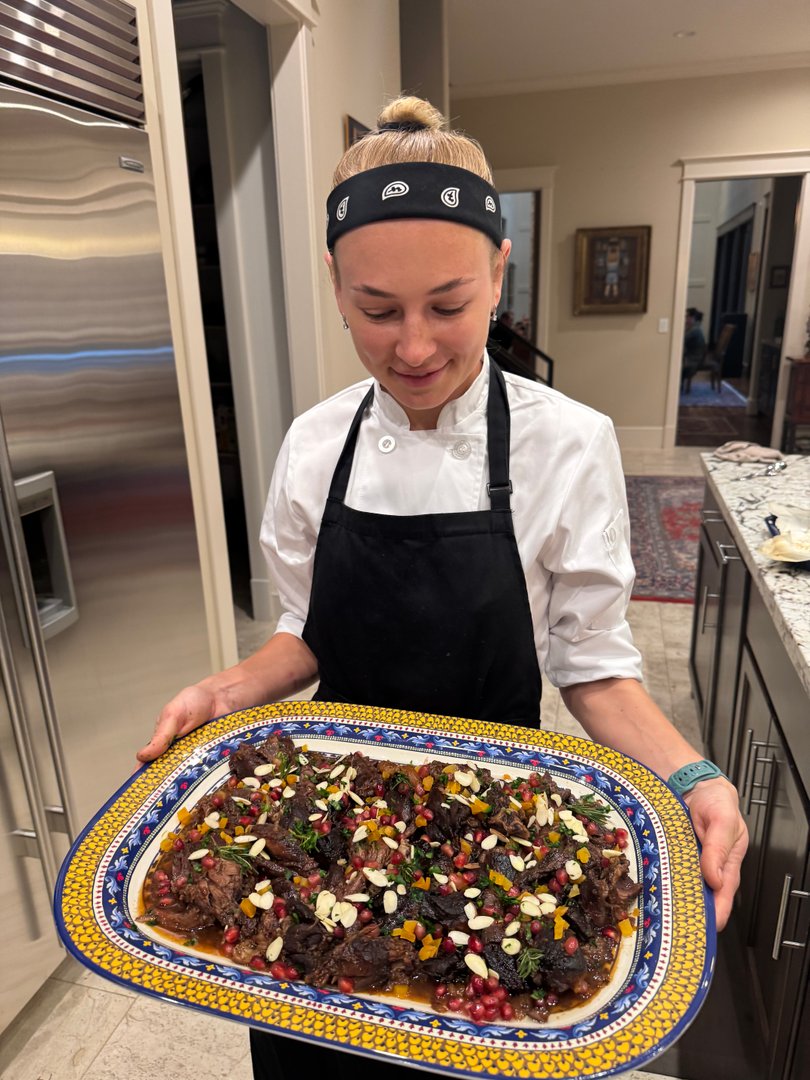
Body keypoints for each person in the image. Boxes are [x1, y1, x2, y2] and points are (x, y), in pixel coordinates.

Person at [137, 96, 747, 1078]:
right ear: (336, 286)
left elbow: (592, 666)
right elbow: (306, 632)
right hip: (326, 832)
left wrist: (691, 777)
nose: (414, 348)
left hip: (497, 833)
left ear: (499, 273)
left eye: (449, 306)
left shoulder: (569, 443)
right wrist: (225, 690)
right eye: (377, 311)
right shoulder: (313, 444)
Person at [681, 307, 707, 394]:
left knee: (677, 364)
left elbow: (681, 340)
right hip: (692, 355)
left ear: (692, 318)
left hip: (694, 358)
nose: (685, 319)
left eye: (687, 316)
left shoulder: (695, 330)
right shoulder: (693, 328)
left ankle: (677, 386)